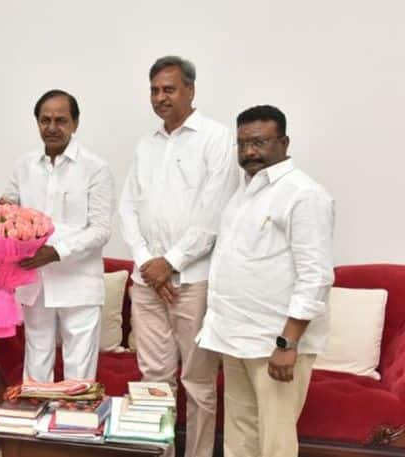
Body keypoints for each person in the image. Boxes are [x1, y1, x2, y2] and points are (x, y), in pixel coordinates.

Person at [197, 105, 334, 457]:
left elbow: (315, 276)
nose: (249, 152)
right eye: (242, 144)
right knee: (239, 437)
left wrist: (287, 344)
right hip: (234, 337)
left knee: (275, 444)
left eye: (259, 142)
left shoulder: (304, 194)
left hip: (275, 343)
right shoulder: (244, 193)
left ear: (284, 142)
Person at [118, 56, 238, 457]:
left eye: (168, 89)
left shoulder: (216, 138)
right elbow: (128, 208)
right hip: (147, 282)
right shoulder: (145, 144)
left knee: (199, 381)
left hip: (194, 281)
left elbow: (214, 211)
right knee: (153, 377)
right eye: (154, 90)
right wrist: (147, 264)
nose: (160, 97)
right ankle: (160, 453)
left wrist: (170, 262)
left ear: (190, 90)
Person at [0, 89, 115, 383]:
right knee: (36, 365)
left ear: (75, 124)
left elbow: (101, 230)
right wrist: (0, 218)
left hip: (78, 283)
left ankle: (75, 427)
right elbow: (9, 206)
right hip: (35, 282)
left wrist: (56, 251)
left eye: (61, 120)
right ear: (37, 122)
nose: (52, 128)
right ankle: (34, 426)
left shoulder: (95, 168)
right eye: (45, 120)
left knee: (79, 372)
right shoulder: (24, 165)